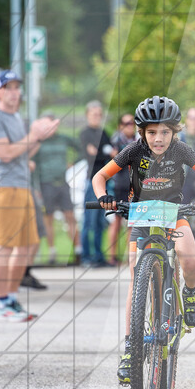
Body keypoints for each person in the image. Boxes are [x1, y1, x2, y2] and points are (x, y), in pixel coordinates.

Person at [92, 95, 195, 384]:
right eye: (152, 132)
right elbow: (99, 177)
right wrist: (103, 197)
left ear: (175, 132)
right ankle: (131, 347)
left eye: (165, 132)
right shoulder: (133, 150)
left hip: (174, 215)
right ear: (142, 132)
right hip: (141, 219)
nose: (158, 138)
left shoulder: (182, 150)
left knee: (190, 260)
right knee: (134, 277)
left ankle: (190, 293)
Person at [0, 70, 59, 322]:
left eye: (17, 87)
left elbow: (24, 152)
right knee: (4, 246)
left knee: (28, 246)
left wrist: (40, 137)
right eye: (9, 87)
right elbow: (5, 153)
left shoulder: (15, 117)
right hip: (6, 189)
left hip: (23, 188)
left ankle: (12, 299)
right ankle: (2, 304)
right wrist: (33, 136)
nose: (14, 92)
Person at [32, 110, 81, 265]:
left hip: (62, 183)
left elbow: (80, 148)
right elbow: (33, 165)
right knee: (49, 218)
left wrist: (72, 163)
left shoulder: (63, 139)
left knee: (70, 216)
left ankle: (78, 251)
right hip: (46, 184)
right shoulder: (38, 143)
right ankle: (52, 251)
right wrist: (36, 187)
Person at [79, 101, 114, 267]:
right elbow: (95, 156)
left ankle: (99, 257)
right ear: (87, 115)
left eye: (100, 114)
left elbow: (113, 154)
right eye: (94, 114)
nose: (97, 117)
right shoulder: (85, 134)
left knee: (101, 221)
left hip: (105, 182)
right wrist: (105, 154)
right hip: (92, 181)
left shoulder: (104, 133)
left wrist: (103, 153)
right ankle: (87, 257)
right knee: (89, 221)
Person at [106, 113, 139, 266]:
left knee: (131, 223)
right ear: (120, 126)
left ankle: (129, 256)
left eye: (132, 123)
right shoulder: (116, 139)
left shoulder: (138, 140)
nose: (130, 126)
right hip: (119, 185)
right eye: (126, 123)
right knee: (117, 221)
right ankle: (112, 257)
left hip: (133, 185)